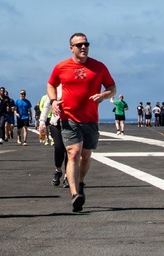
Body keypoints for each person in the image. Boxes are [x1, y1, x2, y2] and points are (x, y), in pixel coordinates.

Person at [47, 32, 116, 213]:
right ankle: (75, 194)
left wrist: (103, 95)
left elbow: (112, 87)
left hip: (90, 119)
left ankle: (81, 182)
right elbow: (51, 84)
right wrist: (53, 101)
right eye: (79, 45)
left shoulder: (99, 67)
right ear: (72, 48)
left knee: (85, 156)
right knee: (73, 153)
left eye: (86, 44)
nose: (83, 47)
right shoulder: (61, 67)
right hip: (69, 117)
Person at [38, 84, 67, 187]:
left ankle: (68, 176)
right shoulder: (55, 89)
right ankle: (58, 170)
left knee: (70, 150)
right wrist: (42, 121)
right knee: (59, 147)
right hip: (56, 122)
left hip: (71, 123)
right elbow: (47, 106)